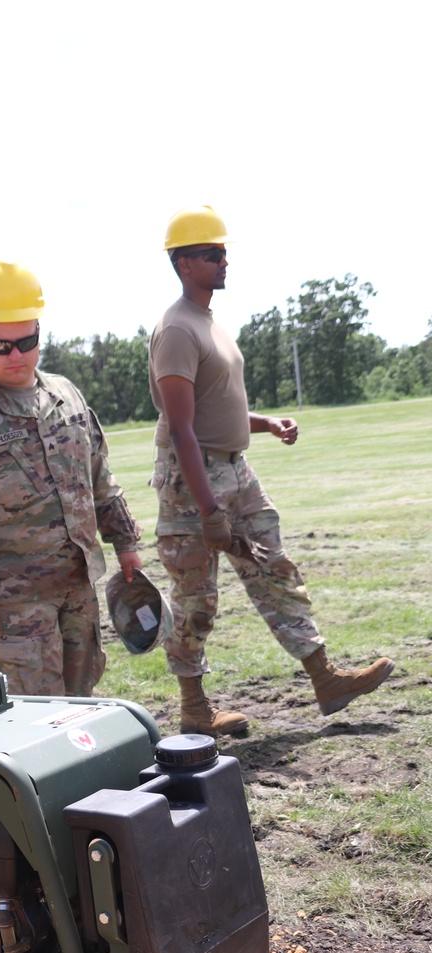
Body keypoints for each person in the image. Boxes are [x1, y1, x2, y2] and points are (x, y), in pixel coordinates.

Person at [149, 206, 394, 737]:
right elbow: (182, 428)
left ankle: (326, 678)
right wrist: (209, 512)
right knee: (196, 598)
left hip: (237, 471)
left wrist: (264, 424)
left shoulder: (209, 322)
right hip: (194, 483)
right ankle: (195, 708)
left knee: (274, 567)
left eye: (223, 251)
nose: (224, 260)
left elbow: (220, 407)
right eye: (213, 253)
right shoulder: (175, 330)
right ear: (184, 262)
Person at [0, 261, 142, 696]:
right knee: (34, 714)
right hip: (13, 606)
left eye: (27, 341)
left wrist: (127, 545)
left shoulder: (67, 398)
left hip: (78, 588)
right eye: (1, 346)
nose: (16, 355)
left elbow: (99, 479)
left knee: (82, 703)